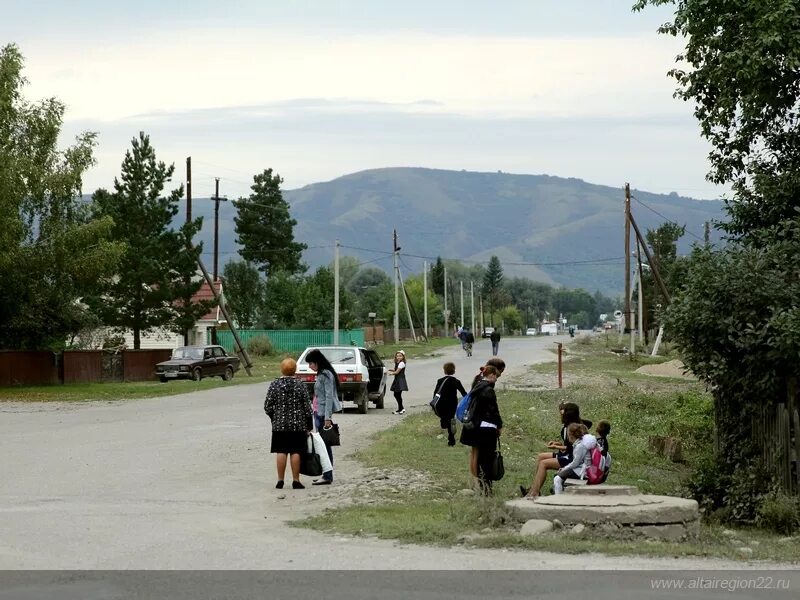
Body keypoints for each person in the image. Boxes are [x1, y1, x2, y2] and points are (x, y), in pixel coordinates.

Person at [522, 402, 592, 499]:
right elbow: (570, 445)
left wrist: (557, 447)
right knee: (540, 456)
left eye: (563, 411)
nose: (561, 413)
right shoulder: (570, 425)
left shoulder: (572, 428)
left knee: (543, 464)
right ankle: (533, 488)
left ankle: (534, 493)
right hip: (568, 454)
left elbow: (572, 448)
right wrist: (558, 444)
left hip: (571, 458)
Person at [263, 358, 313, 490]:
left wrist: (275, 418)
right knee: (296, 451)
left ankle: (280, 480)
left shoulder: (274, 385)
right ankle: (296, 480)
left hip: (279, 425)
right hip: (298, 425)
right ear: (295, 370)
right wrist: (309, 425)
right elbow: (308, 408)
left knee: (281, 451)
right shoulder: (300, 385)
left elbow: (267, 406)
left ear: (282, 369)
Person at [459, 365, 502, 495]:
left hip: (474, 427)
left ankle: (478, 483)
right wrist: (499, 425)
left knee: (476, 456)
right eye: (496, 376)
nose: (497, 379)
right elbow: (493, 410)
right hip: (486, 428)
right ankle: (486, 488)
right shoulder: (488, 390)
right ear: (492, 375)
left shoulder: (477, 386)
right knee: (486, 459)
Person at [305, 349, 340, 485]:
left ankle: (327, 475)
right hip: (317, 412)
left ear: (317, 362)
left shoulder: (326, 375)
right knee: (323, 445)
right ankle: (326, 473)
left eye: (311, 364)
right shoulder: (320, 374)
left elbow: (329, 397)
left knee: (325, 446)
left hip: (322, 414)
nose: (310, 367)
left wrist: (327, 417)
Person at [553, 423, 597, 493]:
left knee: (557, 478)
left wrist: (565, 468)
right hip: (581, 469)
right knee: (558, 475)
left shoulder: (580, 446)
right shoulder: (579, 443)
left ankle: (558, 499)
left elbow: (575, 463)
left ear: (570, 435)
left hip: (582, 471)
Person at [432, 362, 467, 446]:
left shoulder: (440, 381)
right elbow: (463, 393)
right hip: (452, 404)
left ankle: (447, 429)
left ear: (444, 371)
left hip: (441, 403)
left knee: (444, 419)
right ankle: (451, 438)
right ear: (454, 371)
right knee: (451, 420)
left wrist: (434, 402)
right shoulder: (456, 381)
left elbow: (435, 393)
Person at [388, 350, 408, 415]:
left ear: (403, 357)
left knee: (397, 394)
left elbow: (397, 372)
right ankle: (401, 408)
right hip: (397, 380)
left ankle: (401, 409)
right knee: (397, 394)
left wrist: (391, 373)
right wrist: (390, 369)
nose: (398, 357)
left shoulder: (402, 363)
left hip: (400, 380)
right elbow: (396, 369)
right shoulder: (398, 363)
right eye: (397, 356)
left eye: (400, 356)